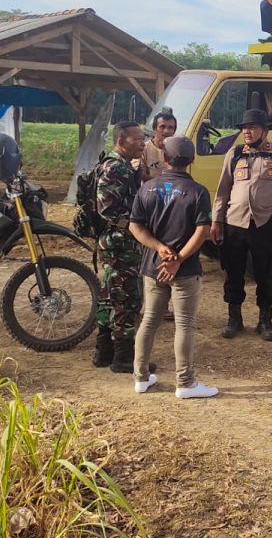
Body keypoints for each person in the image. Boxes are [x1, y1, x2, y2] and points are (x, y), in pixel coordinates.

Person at [129, 136, 218, 399]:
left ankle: (141, 378)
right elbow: (203, 231)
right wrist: (178, 259)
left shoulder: (146, 188)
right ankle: (185, 383)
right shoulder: (198, 192)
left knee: (148, 321)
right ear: (191, 161)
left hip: (153, 267)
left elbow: (135, 225)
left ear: (165, 158)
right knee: (185, 325)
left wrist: (159, 248)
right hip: (186, 270)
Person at [213, 108, 272, 341]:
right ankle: (234, 319)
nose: (247, 132)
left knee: (265, 272)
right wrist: (217, 220)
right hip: (235, 223)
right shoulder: (235, 154)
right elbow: (222, 190)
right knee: (233, 272)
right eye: (244, 128)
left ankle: (265, 321)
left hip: (264, 223)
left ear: (265, 130)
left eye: (252, 127)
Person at [92, 121, 146, 373]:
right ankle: (123, 358)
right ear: (122, 140)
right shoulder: (116, 168)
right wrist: (134, 225)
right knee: (127, 297)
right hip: (119, 243)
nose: (142, 143)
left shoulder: (121, 166)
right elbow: (106, 208)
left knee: (109, 295)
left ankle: (104, 351)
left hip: (114, 242)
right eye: (137, 139)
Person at [141, 109, 177, 182]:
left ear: (174, 131)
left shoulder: (177, 150)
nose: (166, 131)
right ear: (154, 129)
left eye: (170, 128)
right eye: (162, 127)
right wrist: (162, 183)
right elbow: (140, 174)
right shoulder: (143, 148)